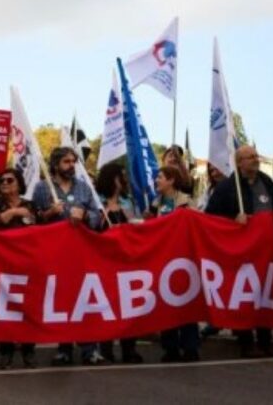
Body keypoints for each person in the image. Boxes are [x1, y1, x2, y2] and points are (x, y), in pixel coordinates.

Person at [205, 146, 273, 358]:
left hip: (266, 252)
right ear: (239, 162)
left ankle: (266, 341)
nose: (255, 160)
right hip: (242, 254)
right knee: (245, 296)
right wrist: (233, 221)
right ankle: (246, 341)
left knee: (264, 295)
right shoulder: (227, 188)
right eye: (250, 157)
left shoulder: (266, 182)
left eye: (256, 156)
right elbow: (210, 218)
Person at [32, 146, 104, 366]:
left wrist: (85, 215)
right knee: (62, 300)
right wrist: (48, 214)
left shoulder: (84, 188)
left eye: (73, 161)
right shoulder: (43, 188)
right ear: (55, 164)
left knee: (84, 300)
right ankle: (63, 348)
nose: (71, 165)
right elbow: (33, 220)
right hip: (55, 255)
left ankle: (89, 349)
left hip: (81, 254)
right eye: (66, 162)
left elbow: (97, 216)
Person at [0, 168, 38, 369]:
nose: (4, 183)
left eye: (9, 180)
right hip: (2, 264)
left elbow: (38, 228)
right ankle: (6, 353)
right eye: (1, 180)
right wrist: (14, 212)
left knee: (27, 308)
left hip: (26, 264)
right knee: (5, 309)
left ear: (19, 183)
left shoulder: (30, 205)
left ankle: (28, 352)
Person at [93, 162, 144, 364]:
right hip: (104, 261)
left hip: (125, 261)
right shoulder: (98, 204)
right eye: (120, 176)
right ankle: (105, 348)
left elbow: (135, 227)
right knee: (107, 306)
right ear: (111, 179)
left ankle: (129, 347)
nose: (123, 180)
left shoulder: (128, 203)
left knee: (128, 305)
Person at [150, 166, 200, 362]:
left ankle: (190, 347)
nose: (156, 181)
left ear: (171, 181)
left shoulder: (187, 203)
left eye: (160, 177)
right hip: (163, 260)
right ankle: (170, 347)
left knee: (187, 302)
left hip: (184, 260)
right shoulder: (155, 205)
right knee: (166, 303)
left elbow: (196, 227)